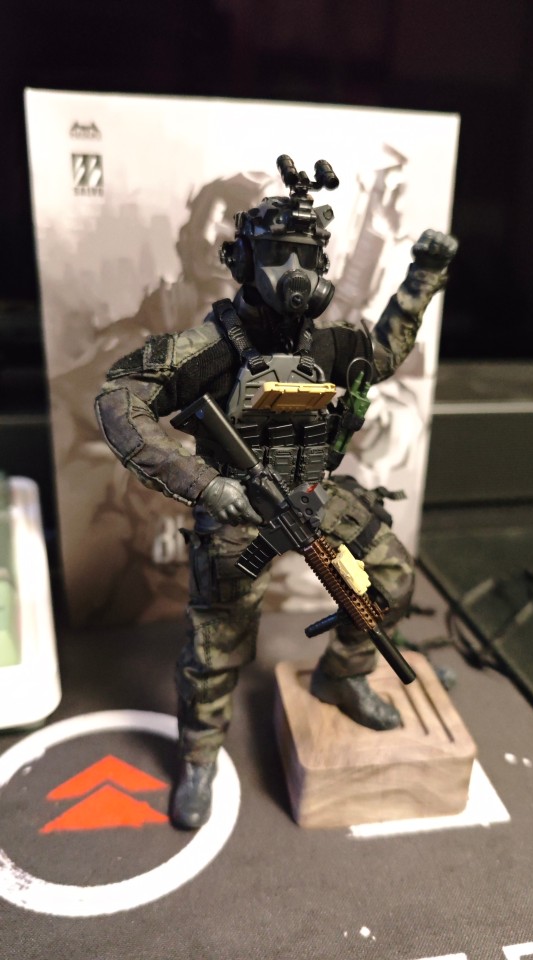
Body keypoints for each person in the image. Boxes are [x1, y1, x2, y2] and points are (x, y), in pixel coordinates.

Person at [95, 155, 457, 829]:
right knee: (218, 641)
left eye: (307, 258)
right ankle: (200, 754)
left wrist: (423, 276)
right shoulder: (210, 346)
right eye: (278, 256)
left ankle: (342, 676)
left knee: (387, 581)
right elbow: (119, 397)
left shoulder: (331, 342)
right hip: (239, 508)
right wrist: (205, 484)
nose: (295, 273)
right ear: (243, 261)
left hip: (315, 494)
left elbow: (383, 353)